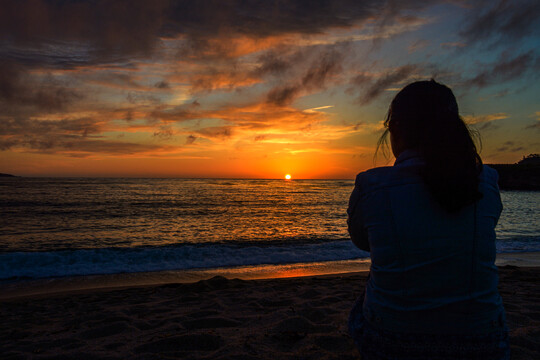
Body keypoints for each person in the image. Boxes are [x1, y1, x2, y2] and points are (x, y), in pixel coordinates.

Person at [347, 80, 509, 359]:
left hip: (393, 341)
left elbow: (363, 242)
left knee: (361, 307)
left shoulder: (371, 186)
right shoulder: (487, 181)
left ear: (395, 127)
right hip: (483, 341)